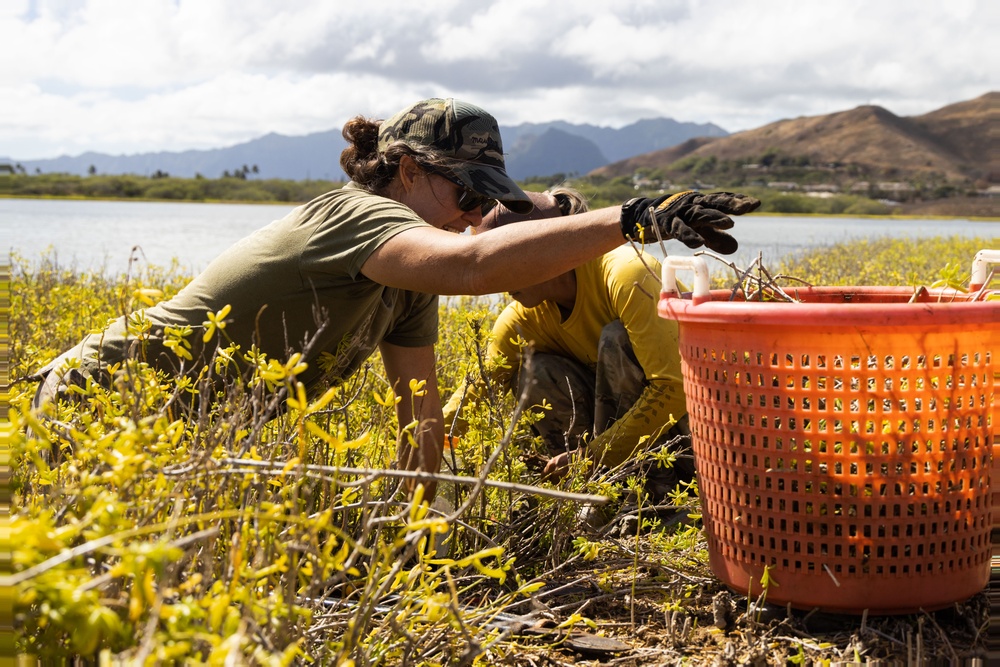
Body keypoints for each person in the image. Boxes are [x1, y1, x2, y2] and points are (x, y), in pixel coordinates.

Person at [32, 97, 759, 493]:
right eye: (468, 190)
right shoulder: (358, 215)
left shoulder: (407, 287)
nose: (477, 214)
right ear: (406, 170)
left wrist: (426, 529)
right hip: (105, 397)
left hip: (176, 441)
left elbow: (422, 433)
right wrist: (632, 217)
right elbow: (476, 265)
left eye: (489, 199)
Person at [442, 188, 694, 490]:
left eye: (499, 261)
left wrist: (590, 458)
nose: (492, 280)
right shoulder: (522, 319)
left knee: (615, 339)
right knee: (534, 371)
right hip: (614, 460)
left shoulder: (628, 274)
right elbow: (471, 399)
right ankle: (601, 492)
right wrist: (418, 445)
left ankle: (655, 497)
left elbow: (674, 387)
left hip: (701, 440)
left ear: (542, 250)